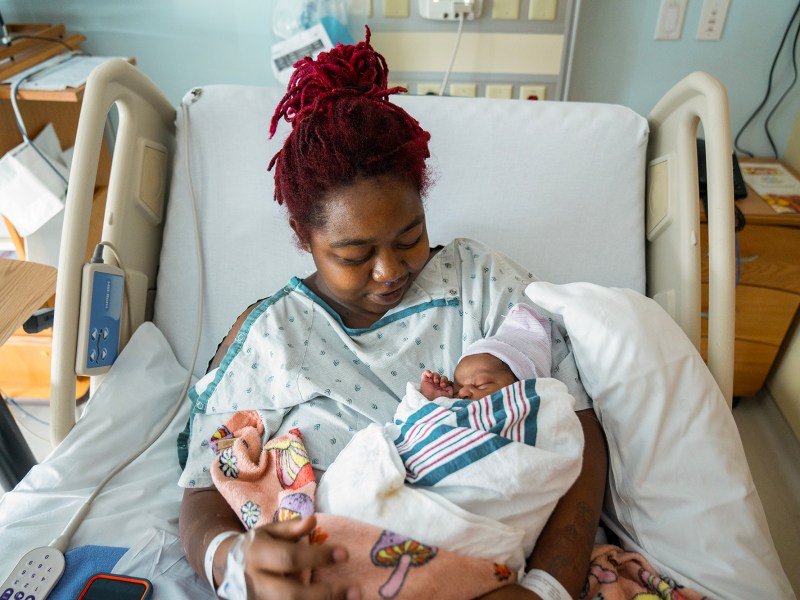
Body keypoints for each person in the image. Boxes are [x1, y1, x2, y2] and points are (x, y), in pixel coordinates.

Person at [178, 27, 608, 600]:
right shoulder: (272, 336)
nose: (390, 271)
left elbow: (577, 426)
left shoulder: (479, 283)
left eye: (409, 238)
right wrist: (234, 561)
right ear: (303, 238)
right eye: (355, 255)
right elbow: (203, 492)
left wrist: (547, 588)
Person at [417, 302, 553, 402]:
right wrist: (434, 399)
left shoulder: (537, 408)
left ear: (523, 386)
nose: (463, 392)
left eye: (481, 385)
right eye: (456, 389)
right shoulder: (454, 411)